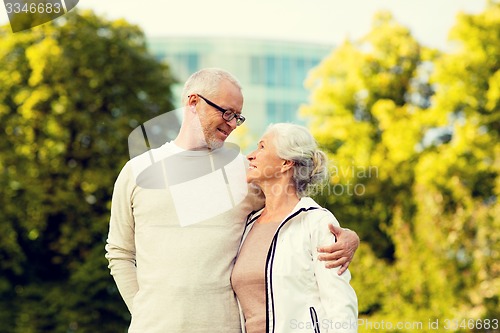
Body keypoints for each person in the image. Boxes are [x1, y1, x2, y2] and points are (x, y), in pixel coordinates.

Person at [105, 68, 359, 332]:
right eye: (226, 112)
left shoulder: (245, 173)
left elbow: (294, 213)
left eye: (238, 117)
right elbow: (120, 252)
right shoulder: (137, 171)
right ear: (193, 102)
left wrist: (349, 237)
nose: (232, 123)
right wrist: (145, 313)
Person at [231, 123, 358, 333]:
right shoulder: (247, 224)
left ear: (286, 163)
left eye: (262, 147)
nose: (250, 156)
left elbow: (340, 305)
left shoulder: (315, 222)